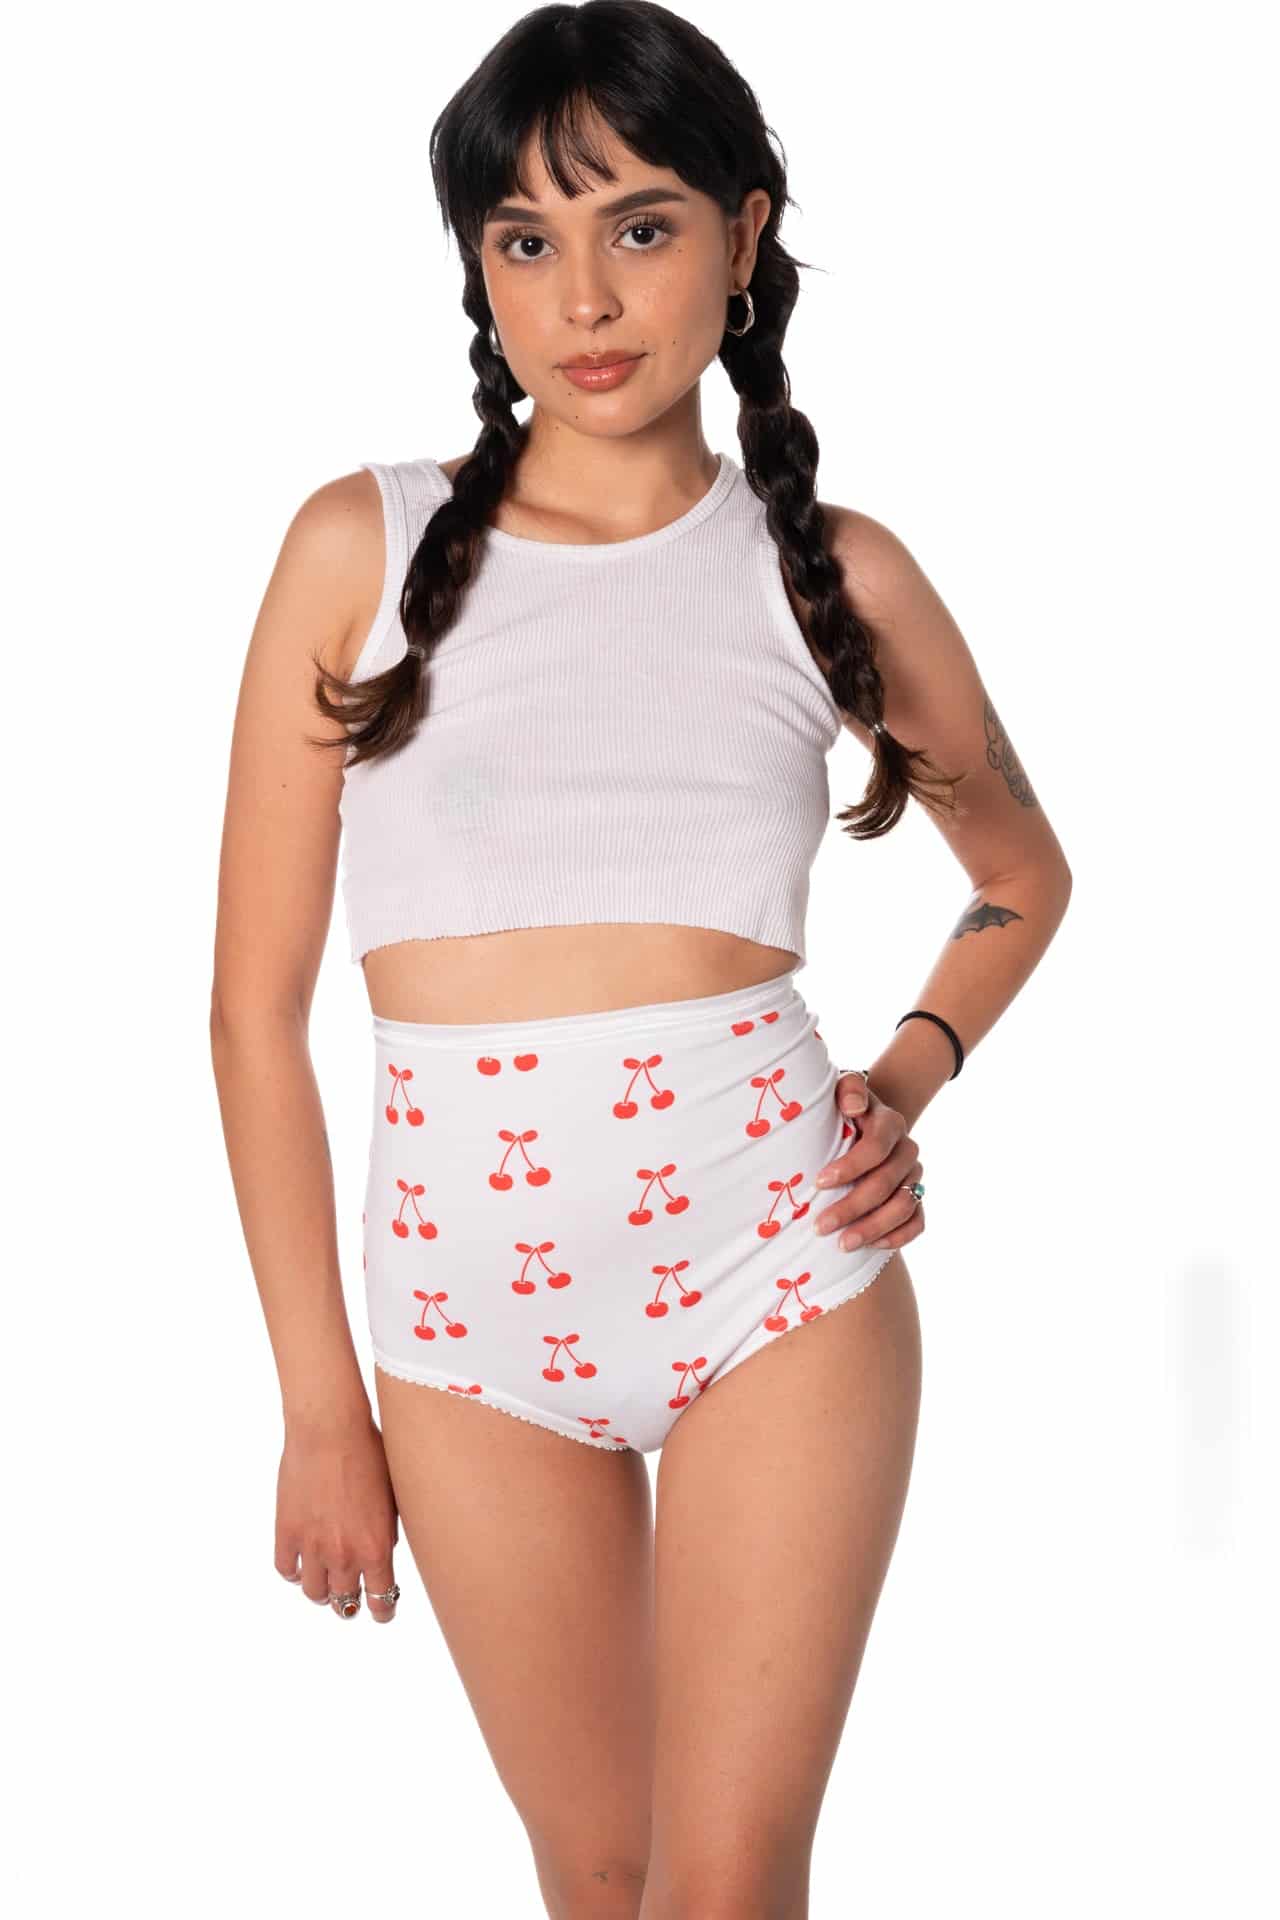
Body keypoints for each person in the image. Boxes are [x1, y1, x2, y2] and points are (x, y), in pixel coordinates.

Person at [209, 5, 1073, 1913]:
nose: (585, 299)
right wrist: (320, 1407)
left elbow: (1021, 875)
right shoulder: (358, 551)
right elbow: (253, 1019)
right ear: (478, 269)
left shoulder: (831, 577)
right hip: (465, 1337)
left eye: (643, 226)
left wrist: (905, 1074)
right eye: (527, 240)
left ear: (745, 236)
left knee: (725, 1887)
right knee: (597, 1884)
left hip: (779, 1274)